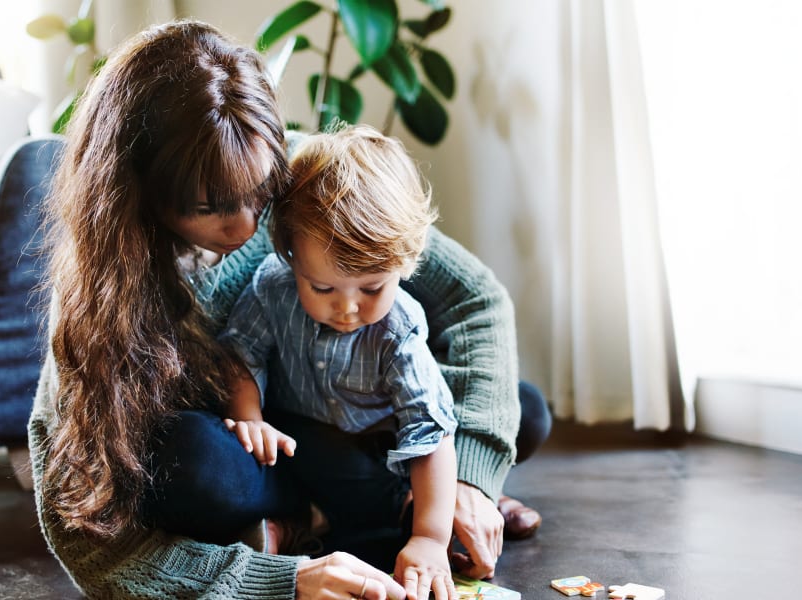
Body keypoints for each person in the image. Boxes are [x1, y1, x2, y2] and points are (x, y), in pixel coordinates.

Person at [29, 18, 548, 600]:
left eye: (259, 192)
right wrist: (282, 582)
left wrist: (469, 480)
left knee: (519, 408)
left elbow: (475, 298)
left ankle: (417, 502)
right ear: (139, 189)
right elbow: (85, 539)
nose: (249, 225)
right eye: (212, 206)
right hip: (265, 446)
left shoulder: (302, 171)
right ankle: (324, 517)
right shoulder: (101, 291)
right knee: (187, 465)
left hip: (368, 413)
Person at [219, 125, 458, 600]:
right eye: (322, 288)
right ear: (289, 257)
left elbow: (429, 436)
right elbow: (239, 354)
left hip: (374, 450)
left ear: (405, 262)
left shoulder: (399, 329)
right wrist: (250, 419)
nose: (347, 308)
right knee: (254, 455)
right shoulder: (272, 286)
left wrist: (430, 539)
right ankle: (322, 518)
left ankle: (438, 509)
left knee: (517, 418)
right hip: (297, 439)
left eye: (372, 289)